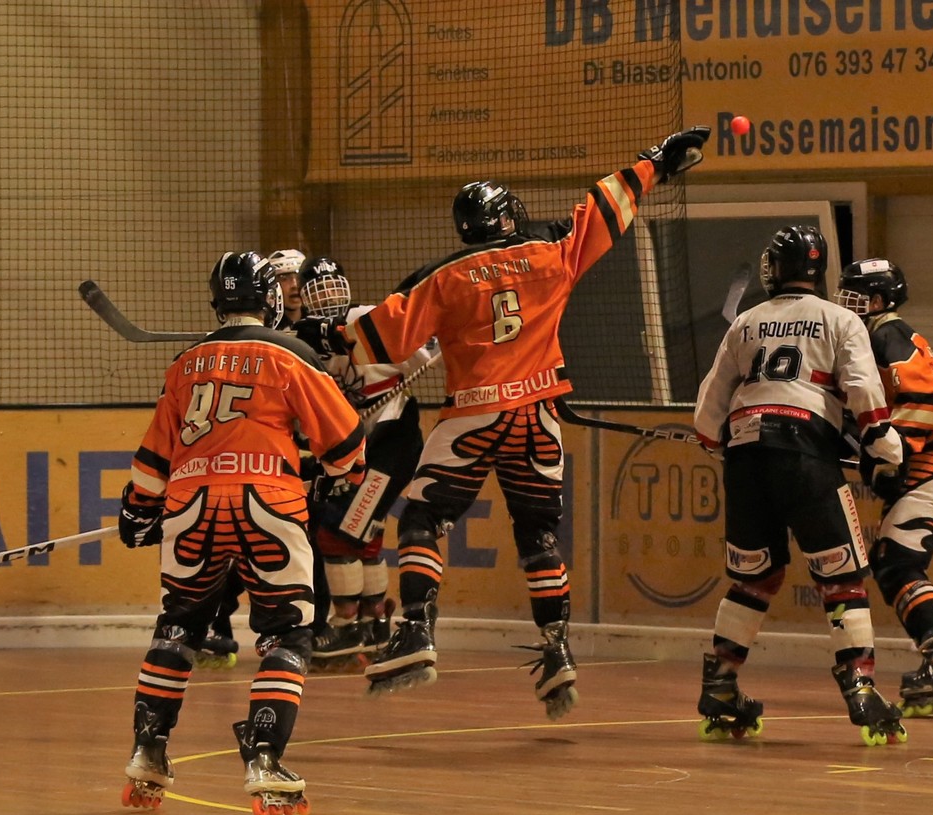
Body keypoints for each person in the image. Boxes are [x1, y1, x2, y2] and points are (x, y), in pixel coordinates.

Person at [294, 125, 712, 720]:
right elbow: (603, 209)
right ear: (507, 216)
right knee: (538, 537)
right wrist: (655, 163)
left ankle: (416, 632)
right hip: (539, 415)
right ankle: (557, 648)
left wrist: (324, 332)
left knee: (422, 519)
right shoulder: (550, 250)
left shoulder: (443, 276)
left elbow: (380, 339)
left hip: (475, 414)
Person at [117, 250, 365, 815]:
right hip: (268, 504)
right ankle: (265, 758)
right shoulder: (291, 354)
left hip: (190, 506)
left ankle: (147, 752)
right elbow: (348, 445)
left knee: (177, 629)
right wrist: (329, 475)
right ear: (271, 298)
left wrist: (137, 511)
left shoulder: (184, 364)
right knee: (286, 636)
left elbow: (153, 461)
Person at [693, 225, 910, 746]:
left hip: (745, 456)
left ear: (776, 267)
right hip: (806, 452)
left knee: (754, 579)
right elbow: (864, 392)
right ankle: (860, 687)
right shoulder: (841, 319)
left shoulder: (745, 322)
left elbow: (707, 415)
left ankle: (720, 685)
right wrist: (886, 453)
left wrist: (719, 442)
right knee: (842, 577)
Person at [833, 258, 933, 717]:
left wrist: (893, 458)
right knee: (891, 563)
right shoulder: (878, 338)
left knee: (897, 563)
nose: (844, 305)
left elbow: (924, 404)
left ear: (877, 301)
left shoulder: (886, 334)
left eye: (853, 297)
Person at [297, 255, 434, 671]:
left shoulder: (369, 319)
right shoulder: (302, 339)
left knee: (338, 532)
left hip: (391, 442)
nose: (328, 294)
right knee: (365, 534)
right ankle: (376, 624)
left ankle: (346, 625)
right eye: (317, 288)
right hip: (360, 448)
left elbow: (425, 350)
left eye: (332, 284)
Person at [193, 246, 312, 670]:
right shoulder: (274, 344)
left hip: (296, 457)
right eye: (283, 278)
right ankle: (222, 624)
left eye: (297, 276)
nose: (292, 286)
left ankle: (314, 628)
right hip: (271, 466)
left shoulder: (314, 335)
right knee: (239, 546)